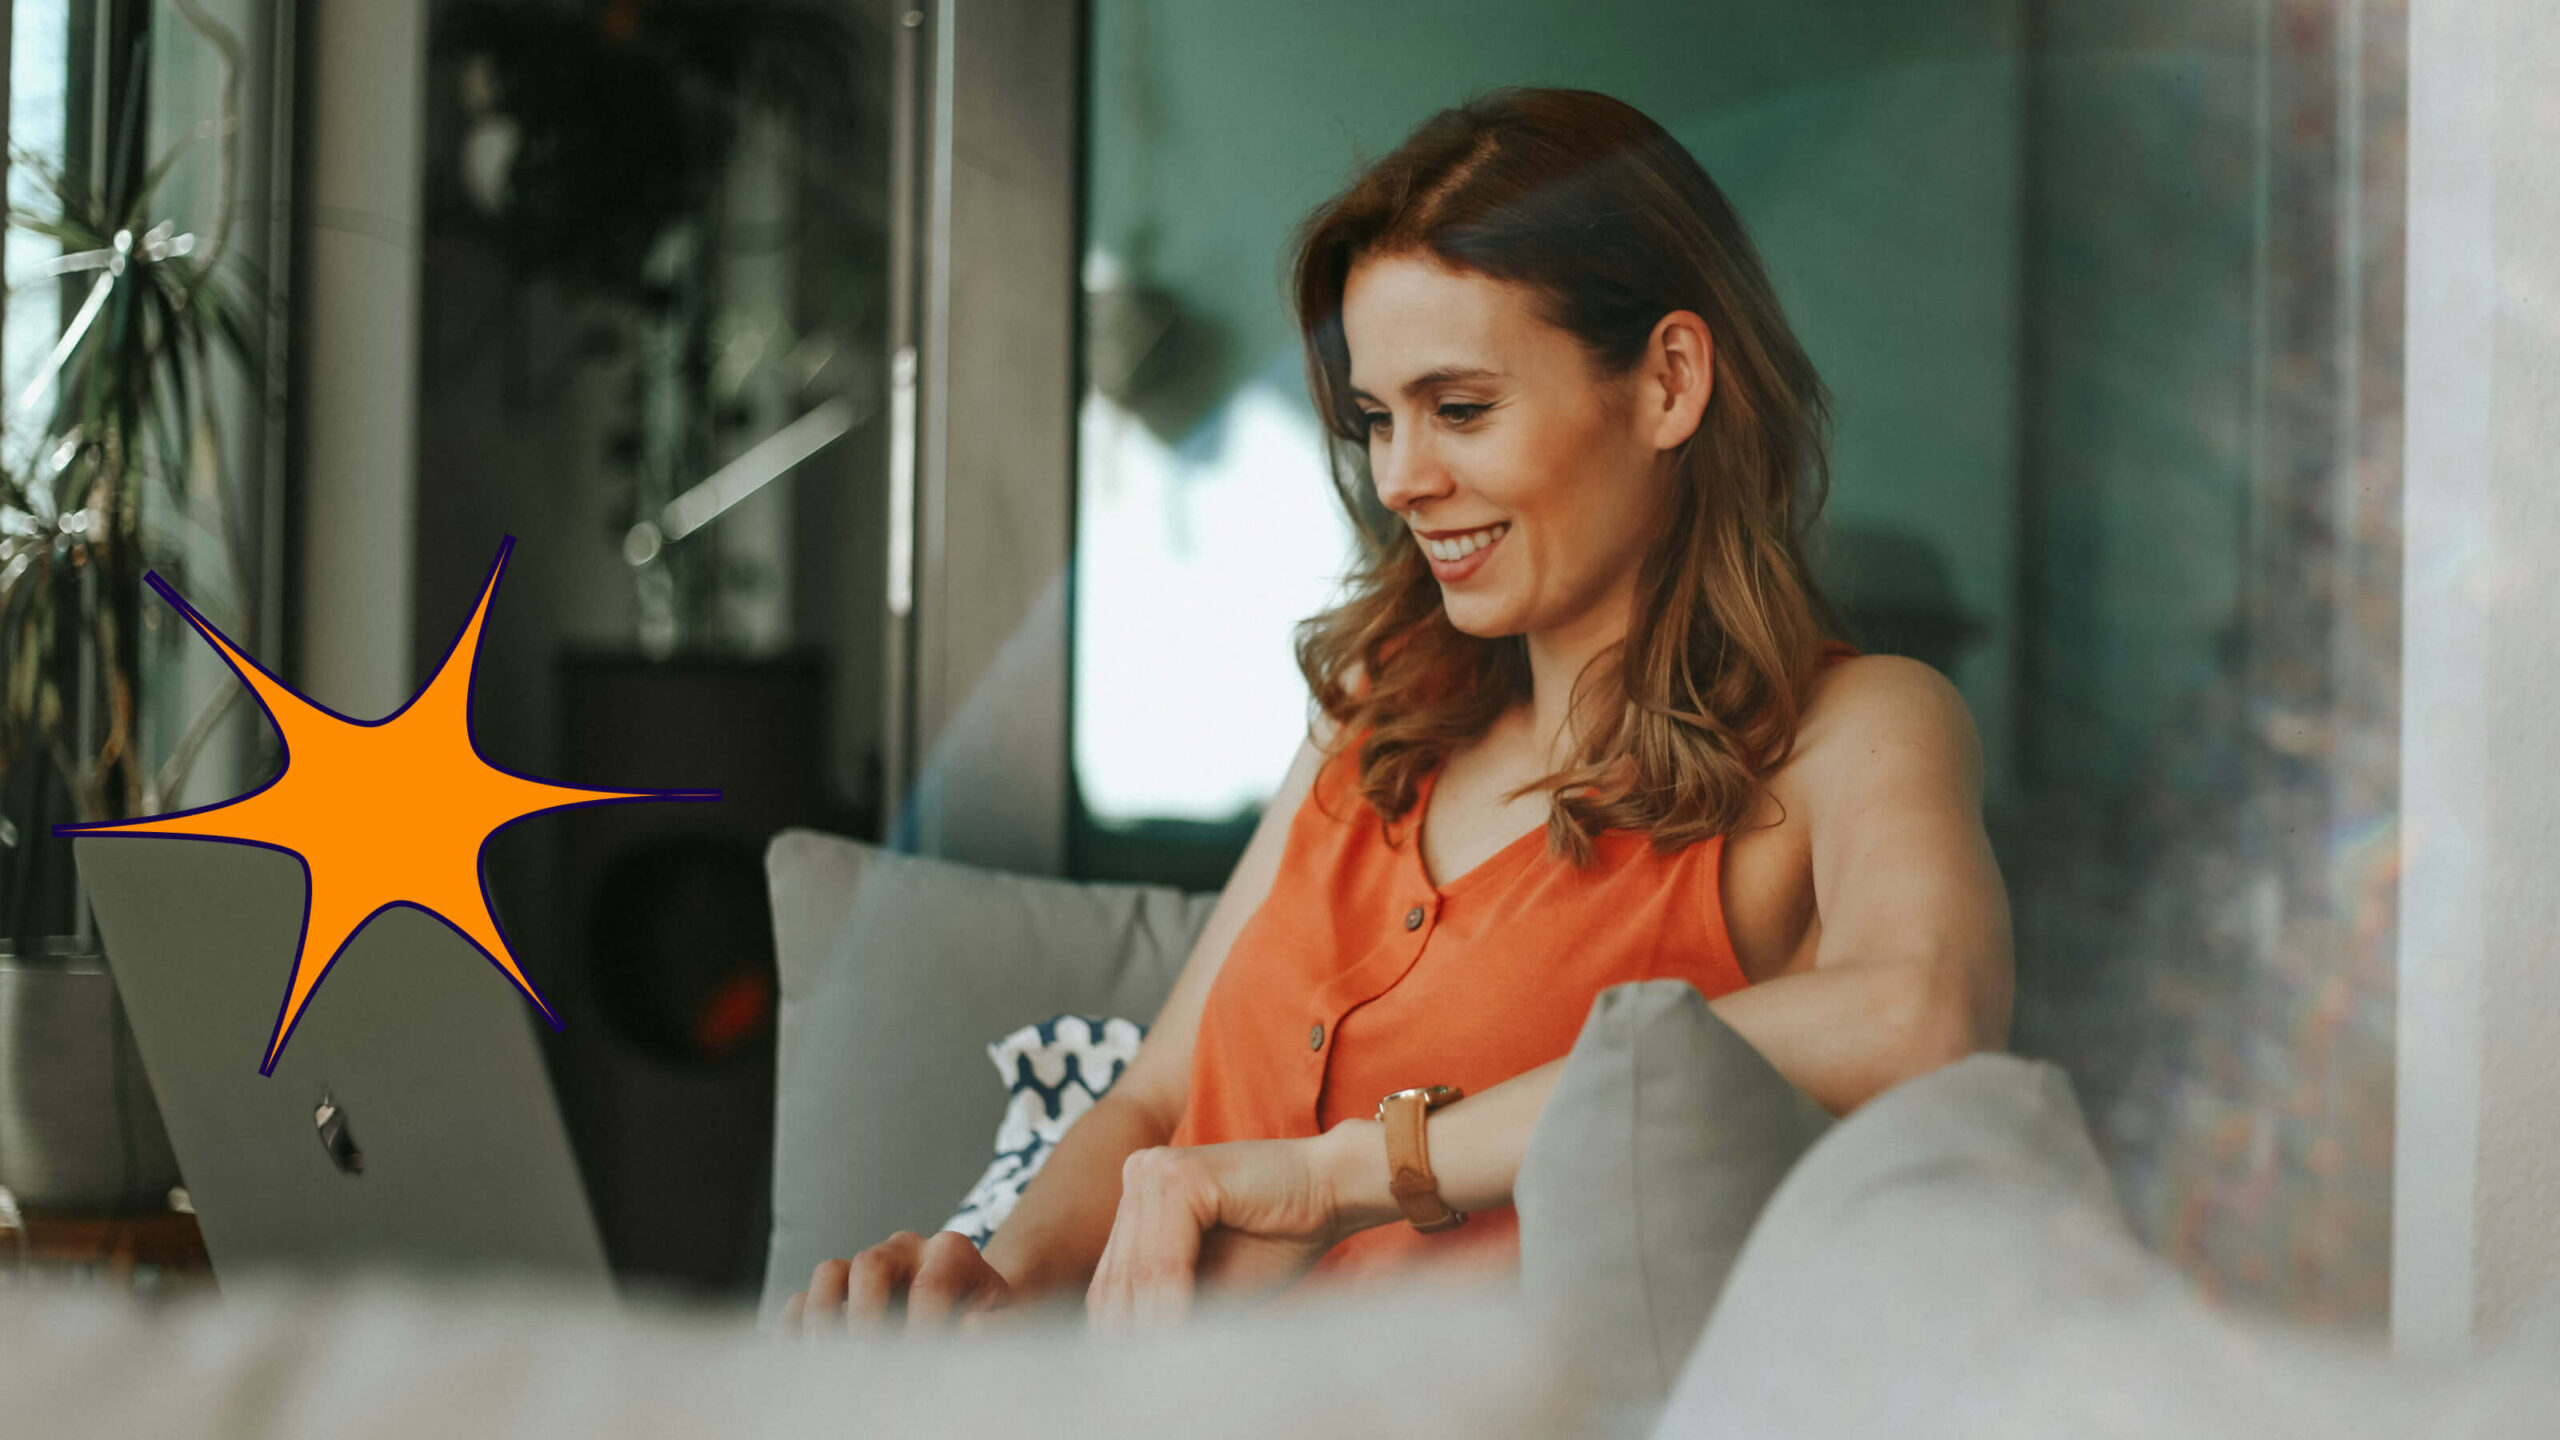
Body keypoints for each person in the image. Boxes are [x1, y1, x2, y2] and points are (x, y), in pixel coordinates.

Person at [782, 85, 2013, 1334]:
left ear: (1668, 383)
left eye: (1461, 408)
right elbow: (1159, 1102)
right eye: (1378, 419)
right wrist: (987, 1288)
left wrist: (1345, 1177)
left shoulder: (1852, 733)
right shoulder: (1377, 713)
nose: (1404, 480)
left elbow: (1922, 1013)